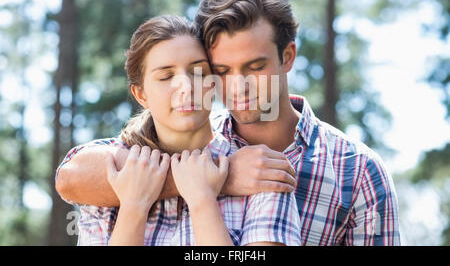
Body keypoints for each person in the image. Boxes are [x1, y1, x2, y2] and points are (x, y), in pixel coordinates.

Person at [57, 0, 401, 245]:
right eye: (221, 70)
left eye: (254, 66)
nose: (238, 86)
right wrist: (219, 176)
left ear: (288, 57)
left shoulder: (357, 170)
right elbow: (70, 177)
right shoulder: (197, 147)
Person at [61, 15, 301, 246]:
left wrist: (203, 201)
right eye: (166, 77)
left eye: (198, 72)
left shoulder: (259, 173)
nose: (186, 87)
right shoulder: (113, 173)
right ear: (141, 94)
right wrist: (134, 206)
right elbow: (68, 176)